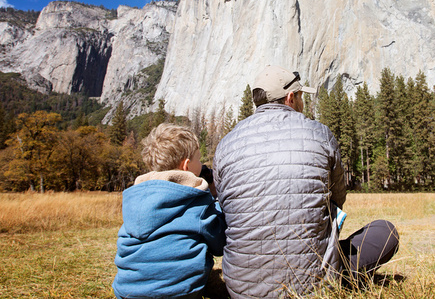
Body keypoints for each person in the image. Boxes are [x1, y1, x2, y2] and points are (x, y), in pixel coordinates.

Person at [214, 65, 399, 298]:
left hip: (242, 290)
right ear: (291, 98)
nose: (303, 103)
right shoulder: (319, 134)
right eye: (301, 96)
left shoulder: (226, 144)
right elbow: (338, 199)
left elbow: (225, 207)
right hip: (314, 286)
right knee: (385, 231)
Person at [113, 123, 226, 299]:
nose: (201, 163)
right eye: (199, 157)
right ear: (186, 165)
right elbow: (219, 244)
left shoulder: (134, 198)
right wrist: (217, 203)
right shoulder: (195, 200)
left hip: (127, 290)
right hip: (178, 291)